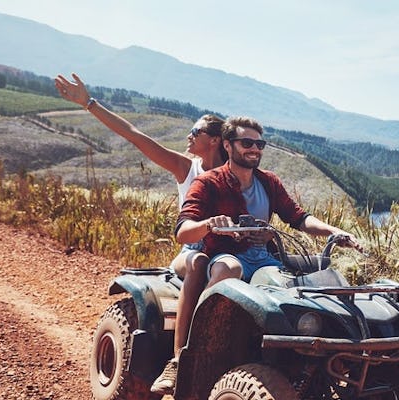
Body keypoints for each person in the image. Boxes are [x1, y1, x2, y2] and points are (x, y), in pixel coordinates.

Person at [150, 116, 361, 395]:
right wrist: (209, 224)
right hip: (223, 254)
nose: (255, 149)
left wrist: (334, 231)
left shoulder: (268, 182)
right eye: (247, 142)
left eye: (259, 144)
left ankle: (303, 355)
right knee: (228, 269)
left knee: (291, 287)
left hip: (264, 259)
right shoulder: (208, 182)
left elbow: (298, 218)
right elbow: (183, 230)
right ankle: (192, 348)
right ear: (228, 145)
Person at [53, 73, 228, 391]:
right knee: (199, 261)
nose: (188, 136)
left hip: (229, 255)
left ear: (214, 140)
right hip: (193, 252)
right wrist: (89, 103)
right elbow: (136, 136)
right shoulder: (187, 169)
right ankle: (179, 361)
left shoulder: (235, 176)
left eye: (195, 131)